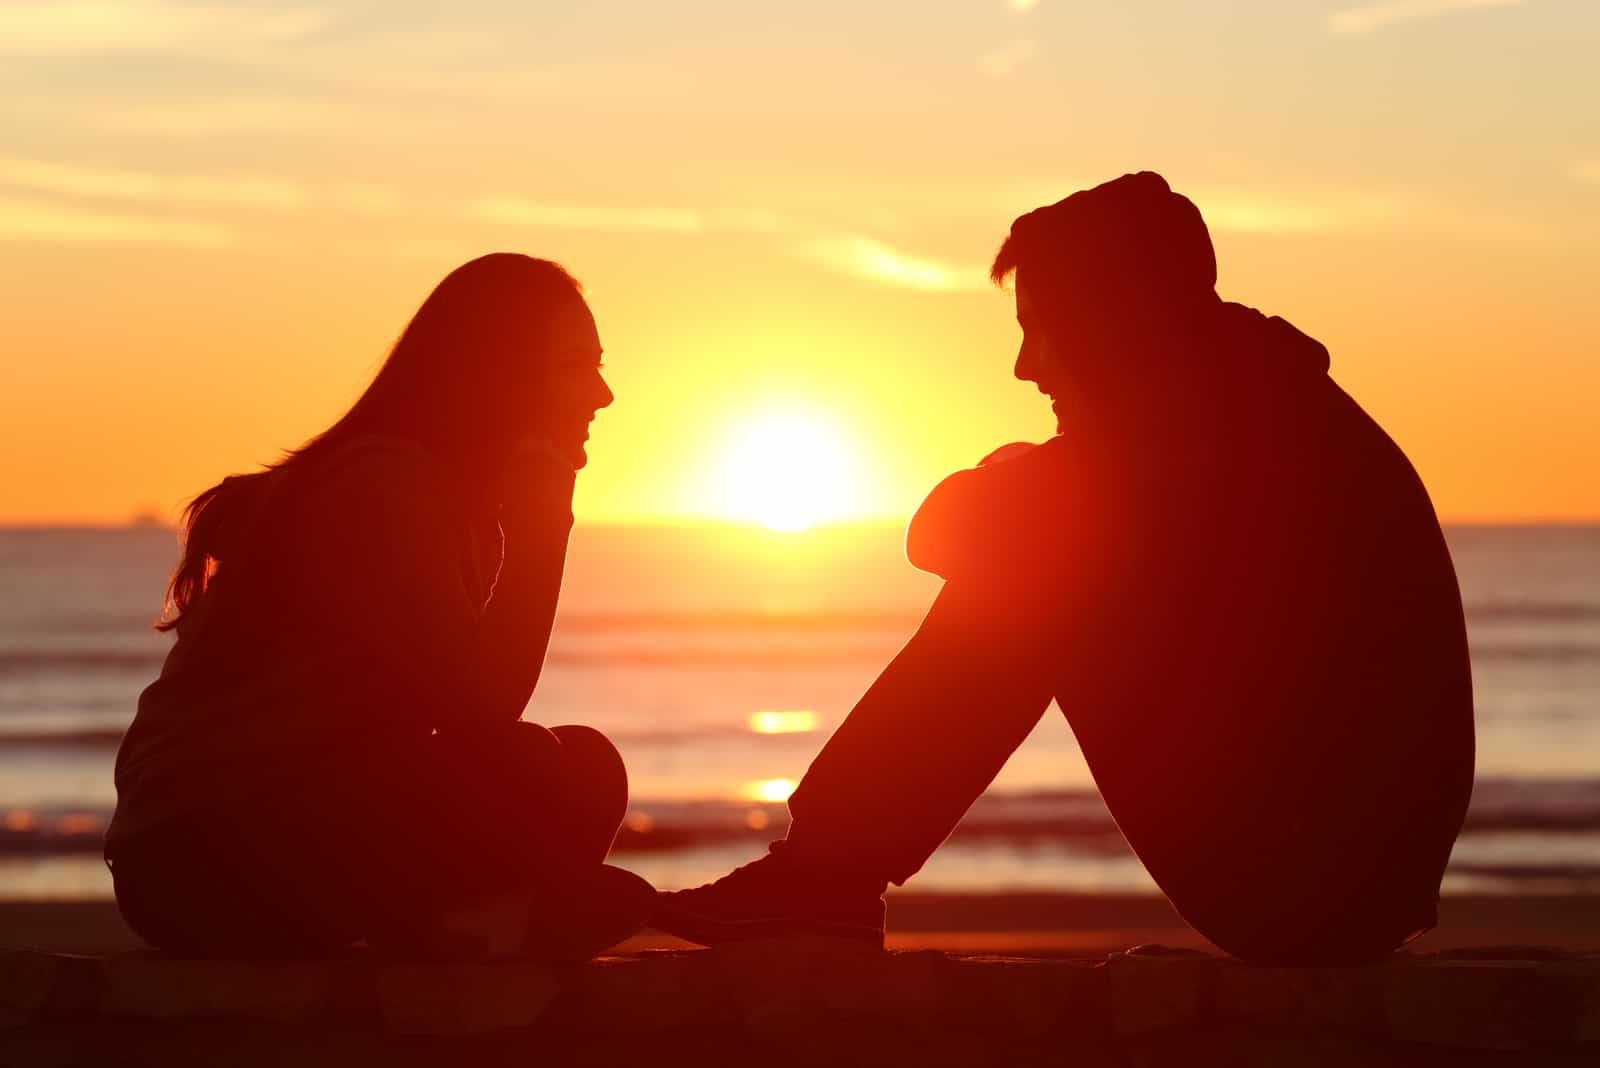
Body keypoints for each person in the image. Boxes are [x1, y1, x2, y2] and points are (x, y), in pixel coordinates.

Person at [654, 173, 1476, 965]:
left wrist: (1020, 481)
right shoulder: (1252, 400)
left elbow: (939, 532)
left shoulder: (1201, 438)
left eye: (1040, 324)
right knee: (1035, 542)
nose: (1024, 363)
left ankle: (825, 877)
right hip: (1345, 876)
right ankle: (824, 874)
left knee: (1030, 568)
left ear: (1110, 317)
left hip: (1303, 885)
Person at [105, 254, 653, 960]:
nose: (602, 395)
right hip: (199, 857)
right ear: (502, 372)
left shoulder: (459, 505)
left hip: (296, 822)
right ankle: (481, 923)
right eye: (577, 365)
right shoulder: (385, 488)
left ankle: (479, 920)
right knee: (536, 769)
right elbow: (482, 709)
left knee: (586, 768)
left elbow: (443, 724)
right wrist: (545, 523)